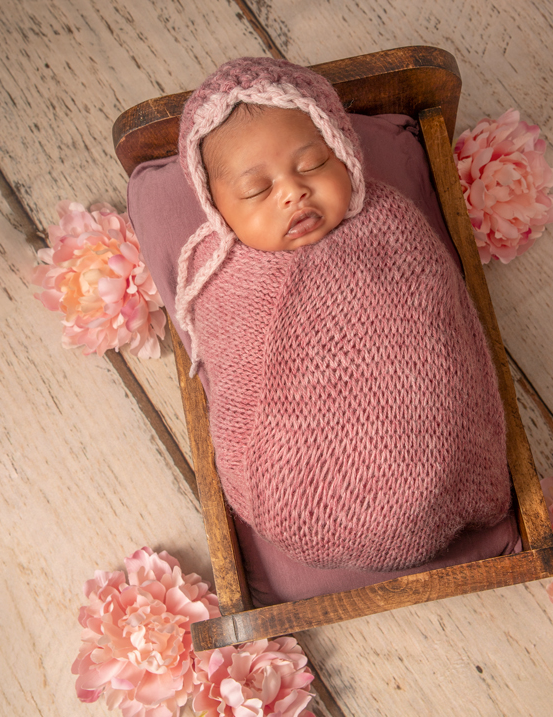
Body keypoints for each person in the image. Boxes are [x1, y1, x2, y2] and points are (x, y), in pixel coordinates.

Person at [174, 57, 511, 572]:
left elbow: (436, 328)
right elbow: (233, 377)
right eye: (256, 191)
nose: (292, 192)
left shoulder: (390, 222)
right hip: (294, 493)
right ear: (217, 207)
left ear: (345, 151)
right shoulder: (224, 276)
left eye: (311, 165)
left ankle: (443, 489)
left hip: (428, 443)